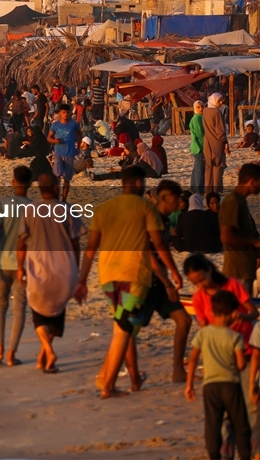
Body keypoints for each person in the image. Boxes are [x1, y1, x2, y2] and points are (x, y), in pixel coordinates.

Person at [74, 165, 182, 398]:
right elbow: (160, 245)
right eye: (143, 184)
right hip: (134, 277)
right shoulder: (146, 208)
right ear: (136, 183)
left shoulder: (103, 209)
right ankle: (108, 385)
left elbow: (90, 251)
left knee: (122, 327)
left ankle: (116, 377)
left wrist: (82, 281)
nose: (146, 190)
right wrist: (173, 272)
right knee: (124, 330)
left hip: (107, 278)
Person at [16, 172, 82, 373]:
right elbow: (75, 243)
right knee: (56, 313)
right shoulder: (68, 209)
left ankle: (47, 349)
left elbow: (21, 244)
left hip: (38, 270)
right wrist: (76, 270)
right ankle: (43, 354)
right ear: (55, 187)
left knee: (39, 315)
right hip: (64, 270)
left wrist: (20, 268)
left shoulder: (29, 210)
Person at [185, 290, 251, 460]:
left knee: (213, 423)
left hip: (210, 386)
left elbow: (192, 360)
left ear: (212, 312)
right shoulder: (235, 336)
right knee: (241, 425)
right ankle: (244, 456)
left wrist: (189, 385)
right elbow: (241, 364)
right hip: (231, 385)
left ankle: (214, 455)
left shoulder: (203, 334)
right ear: (234, 313)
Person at [0, 165, 32, 367]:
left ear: (13, 182)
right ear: (30, 183)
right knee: (19, 308)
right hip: (24, 264)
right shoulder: (34, 207)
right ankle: (11, 354)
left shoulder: (2, 204)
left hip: (1, 262)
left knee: (0, 306)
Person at [145, 179, 193, 384]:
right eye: (176, 197)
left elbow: (163, 251)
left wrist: (173, 273)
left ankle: (177, 371)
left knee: (184, 320)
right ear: (164, 199)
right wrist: (167, 280)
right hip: (146, 281)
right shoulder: (152, 218)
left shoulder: (164, 220)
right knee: (129, 330)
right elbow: (149, 254)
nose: (180, 201)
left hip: (159, 279)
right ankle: (119, 377)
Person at [220, 163, 260, 297]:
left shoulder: (240, 201)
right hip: (237, 270)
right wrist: (254, 242)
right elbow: (227, 236)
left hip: (244, 268)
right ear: (252, 182)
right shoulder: (233, 202)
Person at [46, 104, 80, 201]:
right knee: (57, 176)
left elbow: (79, 134)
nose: (65, 114)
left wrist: (79, 146)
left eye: (67, 112)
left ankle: (64, 199)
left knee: (67, 178)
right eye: (63, 112)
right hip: (58, 153)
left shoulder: (73, 124)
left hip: (70, 153)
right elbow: (49, 138)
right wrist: (55, 141)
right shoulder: (55, 125)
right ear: (60, 113)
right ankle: (56, 197)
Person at [203, 93, 229, 195]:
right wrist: (225, 141)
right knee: (218, 166)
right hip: (216, 142)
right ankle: (217, 189)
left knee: (209, 166)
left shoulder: (205, 111)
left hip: (207, 141)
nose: (221, 103)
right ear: (214, 101)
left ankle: (208, 190)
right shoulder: (217, 112)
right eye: (219, 101)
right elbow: (220, 130)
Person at [190, 100, 206, 195]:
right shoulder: (196, 119)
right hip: (199, 146)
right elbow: (200, 135)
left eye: (202, 106)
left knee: (197, 168)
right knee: (199, 168)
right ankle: (197, 190)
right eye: (198, 107)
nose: (200, 109)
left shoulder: (200, 117)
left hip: (198, 146)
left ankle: (193, 188)